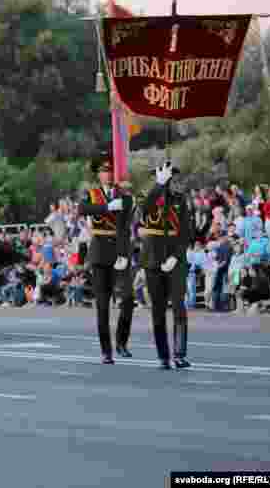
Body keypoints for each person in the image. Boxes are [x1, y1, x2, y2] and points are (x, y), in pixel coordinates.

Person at [78, 152, 135, 363]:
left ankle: (121, 341)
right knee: (102, 305)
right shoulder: (92, 194)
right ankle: (106, 350)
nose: (108, 174)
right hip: (100, 250)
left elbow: (127, 220)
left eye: (110, 170)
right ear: (98, 175)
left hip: (119, 250)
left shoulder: (124, 194)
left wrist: (124, 200)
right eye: (104, 171)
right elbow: (82, 209)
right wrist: (106, 207)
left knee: (128, 299)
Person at [139, 162, 193, 370]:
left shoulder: (180, 200)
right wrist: (158, 187)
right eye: (161, 175)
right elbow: (144, 212)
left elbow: (186, 232)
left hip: (175, 260)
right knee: (158, 310)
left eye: (169, 176)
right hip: (152, 258)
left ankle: (179, 354)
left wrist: (176, 256)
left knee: (179, 306)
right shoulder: (147, 197)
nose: (166, 179)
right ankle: (163, 355)